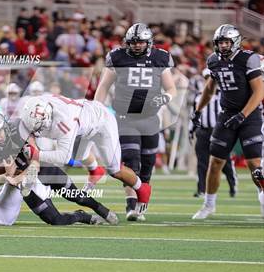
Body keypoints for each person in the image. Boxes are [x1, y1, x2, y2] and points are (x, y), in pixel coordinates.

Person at [94, 23, 176, 221]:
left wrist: (165, 98)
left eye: (140, 42)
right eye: (133, 42)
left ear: (148, 42)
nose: (137, 45)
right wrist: (97, 111)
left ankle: (141, 204)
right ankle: (130, 205)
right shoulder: (118, 57)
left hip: (149, 118)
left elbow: (171, 89)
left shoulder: (160, 58)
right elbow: (103, 86)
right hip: (125, 117)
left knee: (147, 166)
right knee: (131, 160)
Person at [0, 111, 115, 225]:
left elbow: (35, 162)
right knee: (56, 220)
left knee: (76, 196)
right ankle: (82, 216)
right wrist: (5, 178)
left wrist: (19, 177)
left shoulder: (19, 129)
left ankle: (101, 209)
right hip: (26, 186)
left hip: (43, 169)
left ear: (6, 126)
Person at [19, 94, 151, 211]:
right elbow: (29, 125)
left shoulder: (65, 122)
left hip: (102, 123)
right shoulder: (40, 104)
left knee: (115, 170)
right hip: (84, 120)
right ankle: (95, 171)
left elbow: (63, 157)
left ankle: (142, 189)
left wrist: (36, 154)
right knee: (79, 155)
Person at [190, 24, 264, 219]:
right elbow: (209, 88)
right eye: (220, 42)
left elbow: (259, 91)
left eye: (226, 42)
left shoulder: (248, 58)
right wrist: (198, 110)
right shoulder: (214, 60)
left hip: (250, 115)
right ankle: (209, 204)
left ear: (235, 42)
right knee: (215, 161)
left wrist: (243, 115)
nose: (223, 46)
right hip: (226, 114)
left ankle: (262, 197)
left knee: (254, 163)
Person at [190, 69, 238, 198]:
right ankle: (201, 189)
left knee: (224, 161)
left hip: (219, 131)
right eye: (206, 78)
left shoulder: (224, 95)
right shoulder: (199, 96)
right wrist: (192, 129)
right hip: (203, 131)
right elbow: (194, 114)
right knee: (202, 162)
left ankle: (233, 185)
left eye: (209, 78)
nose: (208, 80)